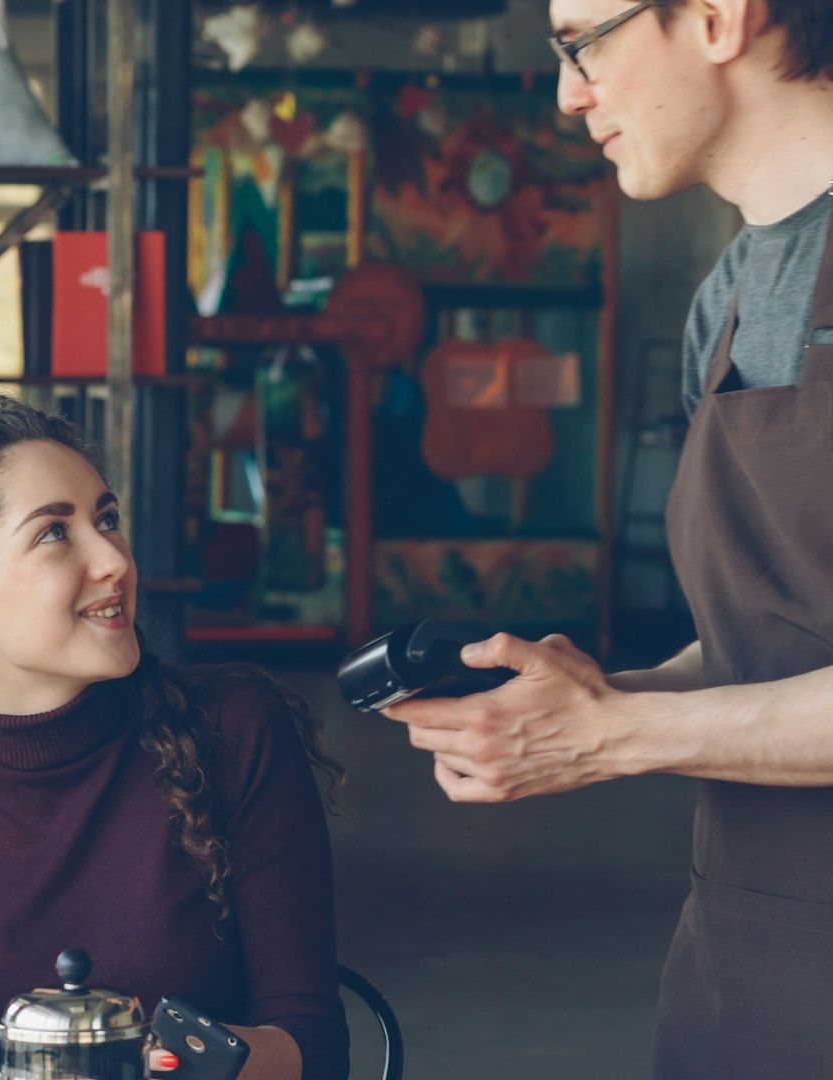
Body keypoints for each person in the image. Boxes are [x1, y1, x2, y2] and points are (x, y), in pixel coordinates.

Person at [383, 2, 833, 1076]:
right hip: (749, 957)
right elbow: (769, 643)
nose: (567, 92)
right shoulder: (725, 301)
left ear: (718, 18)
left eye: (582, 39)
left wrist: (620, 735)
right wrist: (594, 700)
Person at [0, 396, 349, 1080]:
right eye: (54, 533)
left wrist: (155, 1068)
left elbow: (312, 1043)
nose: (113, 559)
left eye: (107, 519)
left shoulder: (234, 727)